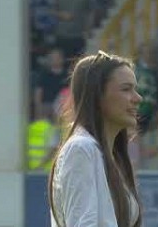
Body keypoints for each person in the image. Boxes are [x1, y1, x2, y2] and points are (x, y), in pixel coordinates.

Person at [48, 50, 143, 227]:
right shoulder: (81, 148)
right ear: (97, 95)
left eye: (135, 89)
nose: (138, 98)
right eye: (126, 89)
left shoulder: (110, 155)